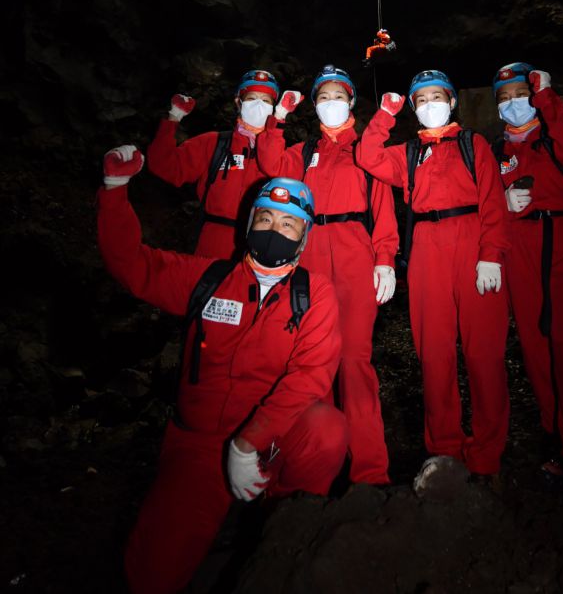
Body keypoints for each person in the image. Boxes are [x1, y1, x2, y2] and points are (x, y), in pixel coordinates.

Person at [98, 149, 348, 594]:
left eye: (289, 224)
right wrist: (116, 192)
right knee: (153, 572)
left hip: (270, 437)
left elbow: (311, 374)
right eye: (267, 219)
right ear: (249, 224)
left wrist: (248, 443)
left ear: (304, 236)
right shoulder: (208, 279)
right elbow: (133, 267)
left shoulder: (314, 294)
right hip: (200, 442)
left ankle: (283, 518)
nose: (276, 230)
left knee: (326, 429)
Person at [355, 69, 511, 482]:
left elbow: (494, 200)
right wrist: (385, 115)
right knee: (434, 352)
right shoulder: (408, 153)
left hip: (474, 240)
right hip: (426, 244)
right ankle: (443, 448)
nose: (429, 106)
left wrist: (491, 254)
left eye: (436, 97)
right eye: (420, 101)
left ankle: (486, 453)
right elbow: (367, 156)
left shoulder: (471, 143)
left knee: (484, 353)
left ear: (452, 100)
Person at [256, 64, 398, 486]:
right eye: (323, 97)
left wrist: (385, 258)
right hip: (310, 257)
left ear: (352, 101)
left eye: (339, 96)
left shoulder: (367, 150)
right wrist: (277, 120)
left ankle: (370, 472)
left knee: (354, 362)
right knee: (309, 362)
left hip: (356, 253)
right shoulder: (302, 153)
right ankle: (312, 468)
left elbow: (382, 206)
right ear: (314, 105)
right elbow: (269, 165)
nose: (330, 104)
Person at [492, 61, 563, 510]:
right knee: (537, 349)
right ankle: (560, 441)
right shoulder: (496, 151)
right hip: (520, 248)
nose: (512, 102)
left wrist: (546, 95)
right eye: (503, 97)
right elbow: (486, 203)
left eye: (519, 92)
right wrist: (502, 206)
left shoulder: (556, 135)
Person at [147, 69, 296, 258]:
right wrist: (173, 118)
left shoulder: (280, 154)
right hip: (211, 245)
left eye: (266, 101)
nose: (259, 105)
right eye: (251, 98)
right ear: (238, 102)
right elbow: (164, 165)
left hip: (260, 249)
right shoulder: (214, 143)